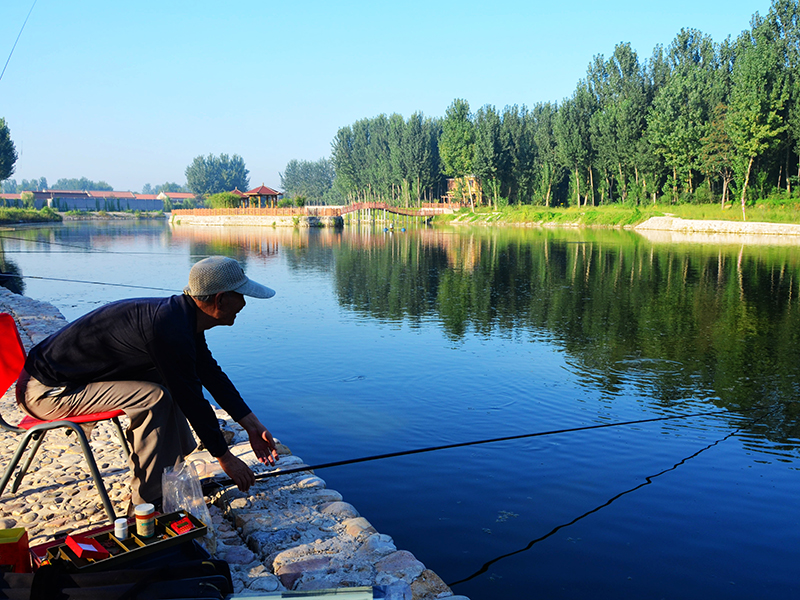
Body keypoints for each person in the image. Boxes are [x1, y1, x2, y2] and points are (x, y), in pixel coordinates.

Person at [15, 256, 280, 508]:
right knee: (154, 396)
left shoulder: (182, 318)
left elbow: (210, 374)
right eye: (241, 295)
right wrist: (225, 458)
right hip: (47, 393)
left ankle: (170, 474)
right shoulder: (169, 328)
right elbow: (191, 397)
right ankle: (147, 502)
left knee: (168, 383)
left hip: (66, 384)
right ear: (220, 300)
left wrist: (253, 426)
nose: (244, 303)